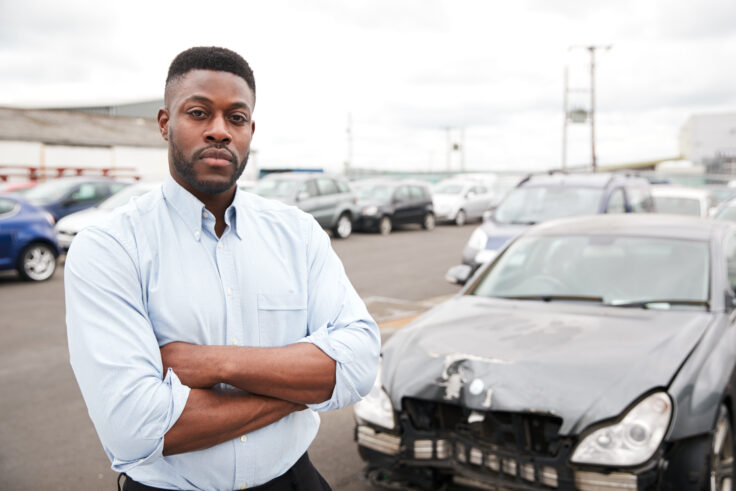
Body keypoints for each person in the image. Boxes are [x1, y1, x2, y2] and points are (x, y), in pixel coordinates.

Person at [65, 46, 381, 491]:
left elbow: (361, 362)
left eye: (236, 117)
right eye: (198, 113)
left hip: (293, 481)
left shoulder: (298, 234)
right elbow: (138, 429)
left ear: (251, 129)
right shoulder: (112, 247)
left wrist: (212, 362)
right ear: (164, 123)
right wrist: (301, 389)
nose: (219, 131)